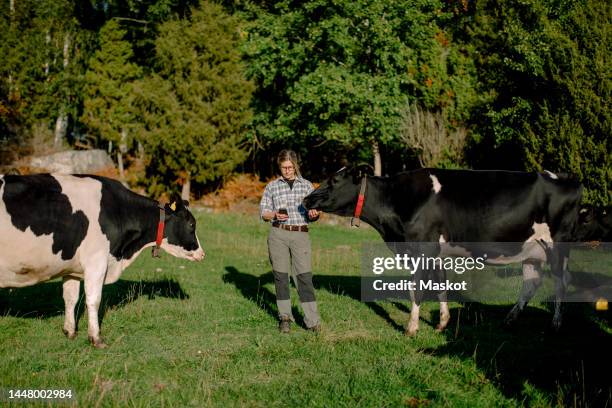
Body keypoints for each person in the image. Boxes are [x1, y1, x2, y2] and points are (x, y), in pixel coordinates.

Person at [260, 149, 321, 333]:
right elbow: (263, 213)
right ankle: (285, 317)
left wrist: (314, 213)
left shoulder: (307, 186)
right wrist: (274, 214)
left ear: (295, 165)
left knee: (304, 277)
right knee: (281, 277)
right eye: (283, 167)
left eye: (289, 167)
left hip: (300, 235)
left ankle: (312, 320)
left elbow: (315, 213)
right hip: (278, 234)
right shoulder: (272, 186)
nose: (286, 170)